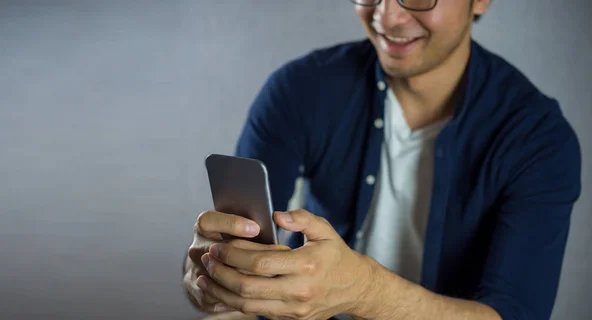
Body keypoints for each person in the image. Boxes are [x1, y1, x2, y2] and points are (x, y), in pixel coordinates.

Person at [182, 0, 582, 319]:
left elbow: (514, 312)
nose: (387, 16)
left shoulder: (539, 137)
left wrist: (364, 291)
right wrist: (213, 276)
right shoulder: (299, 88)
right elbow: (228, 276)